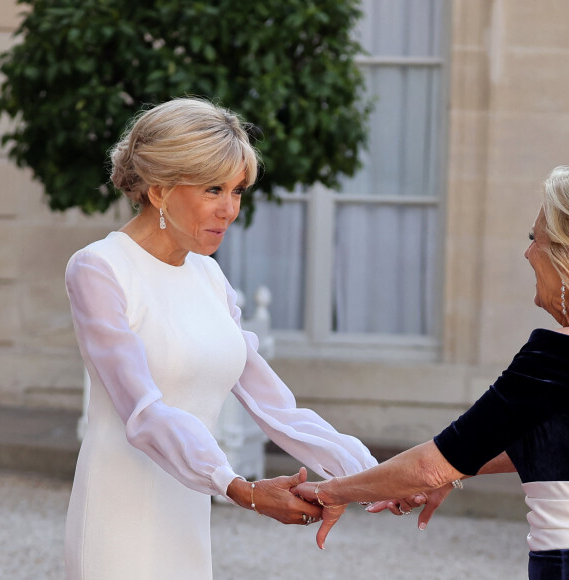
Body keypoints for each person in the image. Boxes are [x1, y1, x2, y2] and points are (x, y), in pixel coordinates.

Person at [63, 97, 377, 579]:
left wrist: (374, 478)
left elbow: (278, 409)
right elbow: (144, 411)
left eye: (237, 191)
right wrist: (239, 488)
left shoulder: (209, 276)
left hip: (188, 510)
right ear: (160, 189)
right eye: (213, 189)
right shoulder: (101, 269)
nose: (230, 210)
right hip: (119, 513)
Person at [294, 165, 569, 579]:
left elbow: (429, 467)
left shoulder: (552, 360)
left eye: (535, 239)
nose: (527, 252)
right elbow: (553, 443)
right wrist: (459, 468)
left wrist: (330, 491)